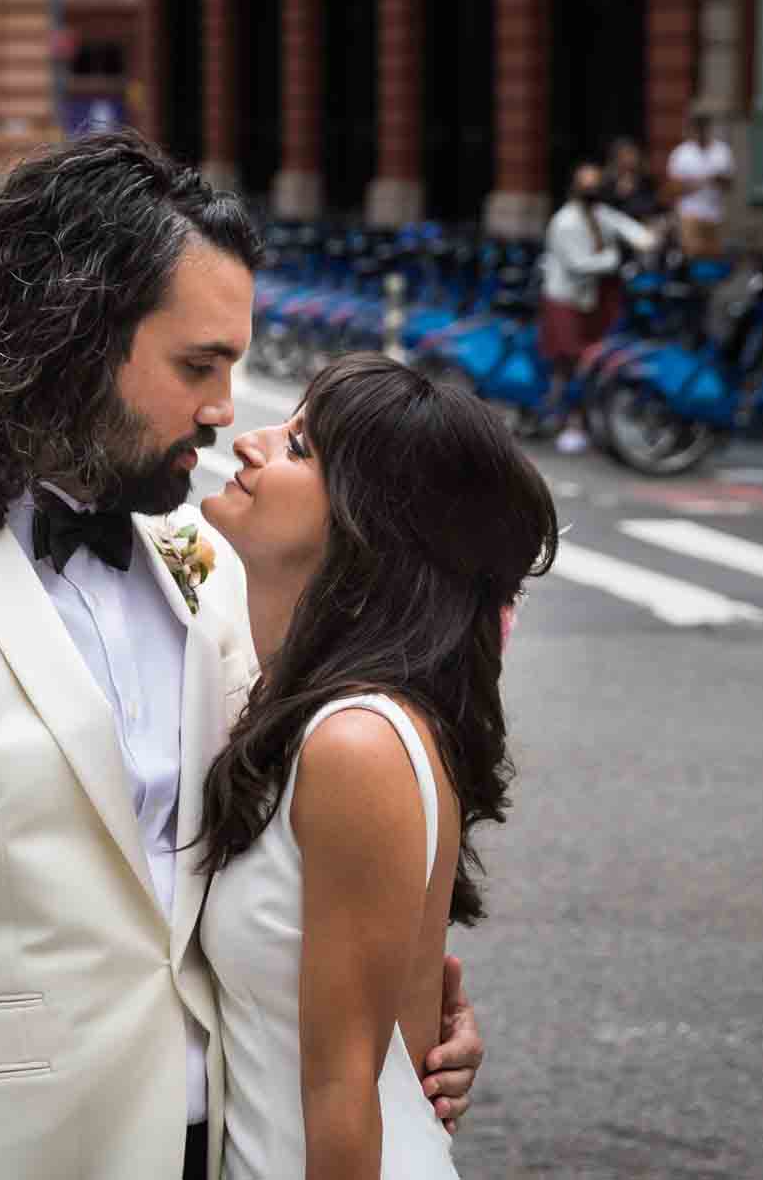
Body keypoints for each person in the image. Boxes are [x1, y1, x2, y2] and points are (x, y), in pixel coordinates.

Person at [0, 132, 485, 1180]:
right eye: (197, 366)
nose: (221, 409)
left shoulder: (200, 562)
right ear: (70, 340)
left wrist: (399, 1032)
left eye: (233, 367)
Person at [198, 354, 557, 1180]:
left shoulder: (356, 744)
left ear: (364, 524)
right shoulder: (303, 709)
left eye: (297, 448)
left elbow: (342, 1094)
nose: (248, 444)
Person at [540, 162, 657, 455]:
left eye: (596, 184)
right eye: (587, 185)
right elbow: (580, 264)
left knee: (591, 360)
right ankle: (566, 422)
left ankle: (581, 421)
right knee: (568, 362)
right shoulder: (565, 222)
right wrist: (617, 258)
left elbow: (629, 228)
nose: (593, 191)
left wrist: (648, 239)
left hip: (592, 300)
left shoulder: (600, 214)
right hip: (566, 298)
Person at [663, 104, 735, 257]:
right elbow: (672, 188)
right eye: (697, 126)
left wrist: (716, 180)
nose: (701, 130)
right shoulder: (681, 153)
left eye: (704, 126)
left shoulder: (722, 151)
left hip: (715, 214)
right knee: (693, 256)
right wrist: (698, 183)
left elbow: (729, 183)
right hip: (690, 214)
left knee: (714, 258)